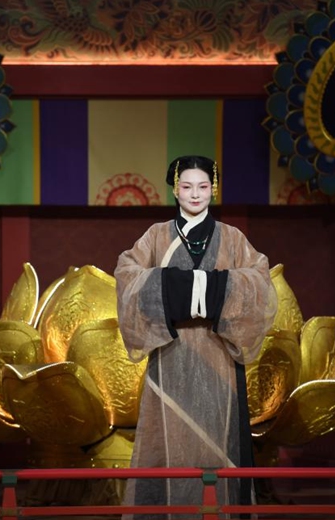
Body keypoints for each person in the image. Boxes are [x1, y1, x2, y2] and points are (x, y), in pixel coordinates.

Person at [114, 155, 277, 519]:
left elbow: (259, 278)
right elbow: (127, 274)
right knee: (167, 438)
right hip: (170, 352)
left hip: (218, 351)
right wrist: (180, 285)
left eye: (203, 186)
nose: (195, 194)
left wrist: (213, 286)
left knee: (218, 442)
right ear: (175, 188)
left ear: (213, 189)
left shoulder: (233, 238)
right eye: (187, 186)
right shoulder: (156, 235)